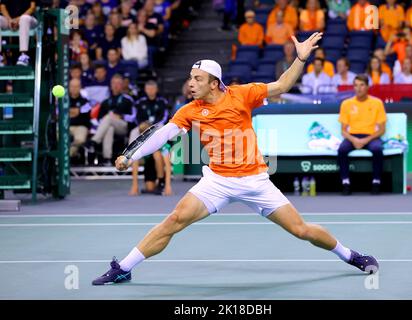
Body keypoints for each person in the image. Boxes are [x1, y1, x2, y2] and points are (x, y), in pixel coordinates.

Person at [91, 32, 379, 285]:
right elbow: (164, 134)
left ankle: (352, 255)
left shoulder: (242, 95)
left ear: (214, 83)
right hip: (216, 181)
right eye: (191, 78)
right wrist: (132, 156)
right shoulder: (190, 110)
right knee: (174, 219)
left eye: (198, 79)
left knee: (301, 230)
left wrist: (300, 59)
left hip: (255, 181)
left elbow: (280, 86)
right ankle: (124, 268)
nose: (191, 83)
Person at [337, 74, 387, 196]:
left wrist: (365, 140)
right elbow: (343, 130)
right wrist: (354, 139)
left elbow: (381, 130)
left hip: (371, 136)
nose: (358, 88)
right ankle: (345, 182)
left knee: (377, 149)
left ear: (367, 87)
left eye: (362, 85)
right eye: (355, 85)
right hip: (353, 136)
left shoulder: (377, 103)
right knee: (342, 149)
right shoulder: (346, 104)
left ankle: (376, 182)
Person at [0, 0, 38, 66]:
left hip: (29, 19)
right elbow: (2, 7)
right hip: (10, 20)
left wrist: (17, 19)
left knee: (24, 18)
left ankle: (23, 56)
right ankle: (1, 57)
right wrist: (10, 20)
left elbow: (32, 7)